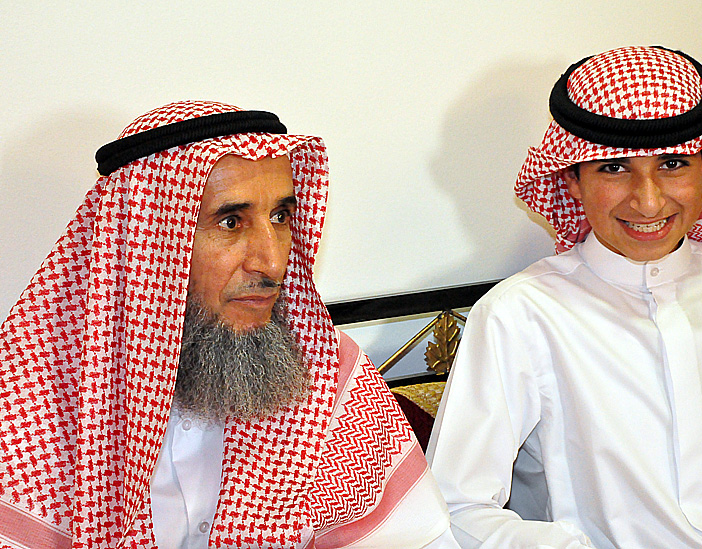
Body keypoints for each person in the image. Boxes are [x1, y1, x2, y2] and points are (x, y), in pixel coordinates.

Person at [0, 100, 458, 548]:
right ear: (150, 244)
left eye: (281, 217)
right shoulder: (30, 396)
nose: (274, 262)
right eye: (231, 222)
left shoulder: (326, 371)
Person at [427, 46, 702, 548]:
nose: (649, 200)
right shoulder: (522, 315)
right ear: (570, 180)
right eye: (613, 168)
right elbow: (457, 507)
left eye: (673, 164)